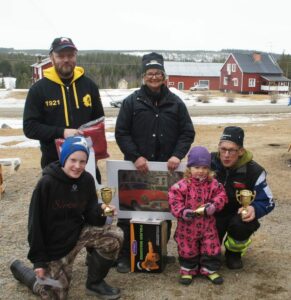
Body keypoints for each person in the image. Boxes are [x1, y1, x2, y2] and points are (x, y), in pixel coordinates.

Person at [9, 136, 123, 300]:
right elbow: (35, 225)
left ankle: (95, 284)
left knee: (115, 236)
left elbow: (90, 214)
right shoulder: (46, 183)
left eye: (82, 161)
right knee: (55, 295)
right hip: (55, 246)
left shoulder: (87, 179)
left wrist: (102, 211)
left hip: (78, 233)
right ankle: (24, 273)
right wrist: (39, 262)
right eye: (73, 160)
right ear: (64, 158)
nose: (77, 166)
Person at [115, 52, 195, 273]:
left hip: (166, 170)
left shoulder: (176, 103)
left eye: (158, 73)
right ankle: (125, 255)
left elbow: (187, 133)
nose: (154, 77)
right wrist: (135, 156)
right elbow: (121, 133)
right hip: (136, 169)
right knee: (130, 212)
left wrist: (177, 155)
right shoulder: (131, 102)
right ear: (144, 76)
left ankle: (159, 252)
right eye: (150, 73)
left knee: (164, 212)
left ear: (164, 76)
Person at [23, 37, 104, 183]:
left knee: (91, 205)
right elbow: (30, 128)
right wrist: (62, 132)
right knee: (57, 205)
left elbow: (98, 122)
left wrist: (96, 153)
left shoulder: (89, 85)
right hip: (54, 164)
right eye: (61, 56)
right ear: (51, 58)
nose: (66, 60)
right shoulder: (38, 89)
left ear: (75, 56)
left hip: (86, 162)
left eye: (70, 55)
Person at [211, 126, 275, 269]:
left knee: (243, 223)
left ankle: (233, 254)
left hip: (237, 215)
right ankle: (209, 251)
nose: (226, 155)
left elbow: (268, 201)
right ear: (219, 148)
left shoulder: (255, 171)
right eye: (223, 149)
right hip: (214, 214)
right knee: (207, 257)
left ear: (241, 151)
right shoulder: (208, 162)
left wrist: (254, 208)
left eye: (231, 150)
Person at [169, 146, 227, 285]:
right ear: (189, 168)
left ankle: (209, 269)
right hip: (187, 226)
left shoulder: (213, 184)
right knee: (187, 248)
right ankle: (188, 270)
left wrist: (213, 205)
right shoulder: (181, 185)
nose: (200, 171)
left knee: (211, 246)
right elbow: (174, 201)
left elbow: (222, 196)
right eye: (196, 167)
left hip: (208, 226)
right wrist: (182, 211)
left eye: (204, 167)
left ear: (209, 168)